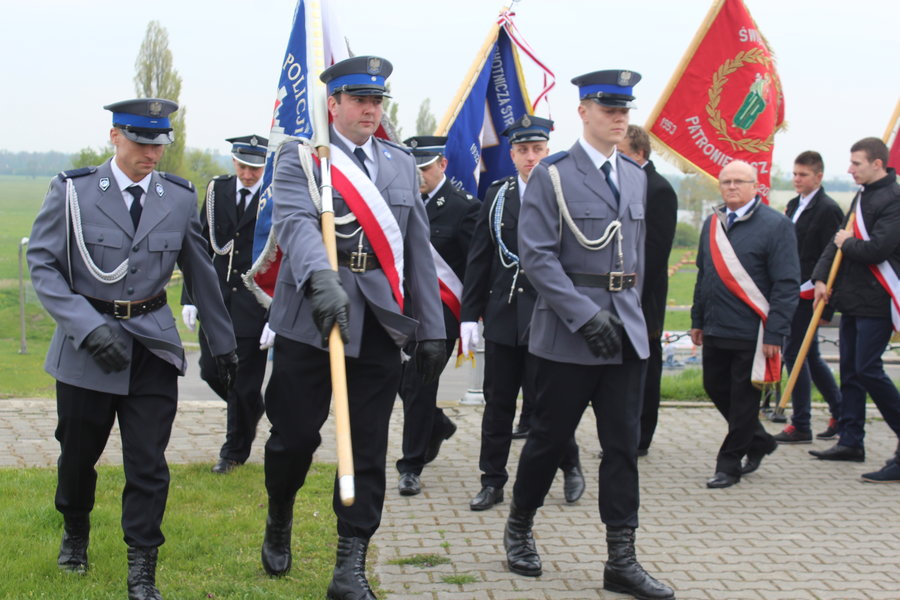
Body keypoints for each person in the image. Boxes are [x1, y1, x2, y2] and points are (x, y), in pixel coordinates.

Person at [27, 98, 238, 600]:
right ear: (115, 136)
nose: (152, 153)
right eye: (142, 142)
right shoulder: (74, 192)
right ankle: (75, 529)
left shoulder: (179, 198)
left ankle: (142, 569)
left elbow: (201, 272)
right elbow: (43, 264)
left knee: (148, 462)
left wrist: (223, 343)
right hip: (86, 349)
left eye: (159, 143)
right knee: (77, 456)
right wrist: (86, 327)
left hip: (152, 347)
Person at [259, 56, 446, 598]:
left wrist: (430, 328)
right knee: (292, 439)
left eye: (377, 100)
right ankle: (279, 514)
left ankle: (350, 565)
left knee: (365, 446)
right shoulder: (302, 160)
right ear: (333, 104)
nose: (371, 109)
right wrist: (321, 279)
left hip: (381, 324)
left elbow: (417, 248)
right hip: (311, 319)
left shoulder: (400, 163)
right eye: (359, 100)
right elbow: (294, 223)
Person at [506, 69, 675, 600]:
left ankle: (620, 560)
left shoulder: (635, 174)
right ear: (583, 111)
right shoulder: (552, 175)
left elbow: (641, 259)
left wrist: (635, 322)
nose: (620, 116)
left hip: (624, 332)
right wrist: (584, 316)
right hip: (568, 335)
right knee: (549, 440)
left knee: (622, 447)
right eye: (608, 108)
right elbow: (537, 256)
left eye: (625, 108)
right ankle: (519, 527)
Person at [459, 115, 584, 512]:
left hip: (548, 316)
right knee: (497, 405)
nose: (531, 157)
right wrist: (468, 315)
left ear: (549, 151)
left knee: (548, 402)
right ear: (512, 154)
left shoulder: (566, 194)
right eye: (523, 150)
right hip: (503, 316)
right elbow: (480, 258)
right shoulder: (498, 195)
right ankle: (492, 480)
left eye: (538, 149)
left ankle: (570, 464)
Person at [690, 160, 799, 490]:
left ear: (755, 187)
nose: (732, 187)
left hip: (754, 331)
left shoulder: (776, 226)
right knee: (715, 386)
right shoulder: (713, 223)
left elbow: (786, 283)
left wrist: (776, 332)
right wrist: (697, 319)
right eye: (726, 182)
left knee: (742, 400)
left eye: (740, 181)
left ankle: (729, 464)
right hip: (716, 327)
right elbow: (704, 274)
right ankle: (760, 441)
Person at [809, 137, 900, 483]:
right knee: (850, 370)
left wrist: (848, 243)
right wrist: (820, 277)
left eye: (856, 163)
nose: (849, 169)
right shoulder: (862, 197)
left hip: (878, 299)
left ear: (878, 164)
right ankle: (851, 440)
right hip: (850, 297)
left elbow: (877, 249)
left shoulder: (894, 200)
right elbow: (839, 240)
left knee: (867, 369)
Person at [394, 135, 478, 497]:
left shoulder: (464, 208)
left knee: (418, 383)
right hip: (403, 308)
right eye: (413, 169)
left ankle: (410, 466)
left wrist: (473, 317)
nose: (419, 176)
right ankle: (437, 423)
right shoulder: (399, 201)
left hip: (444, 313)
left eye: (425, 168)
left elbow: (474, 268)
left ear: (442, 165)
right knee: (399, 379)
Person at [182, 135, 269, 474]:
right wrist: (190, 297)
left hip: (253, 303)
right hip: (216, 300)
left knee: (243, 382)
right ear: (234, 162)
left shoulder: (273, 196)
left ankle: (233, 453)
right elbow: (198, 244)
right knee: (210, 371)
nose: (248, 174)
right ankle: (250, 409)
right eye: (243, 166)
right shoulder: (217, 190)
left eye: (256, 167)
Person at [772, 151, 843, 444]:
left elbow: (834, 256)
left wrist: (829, 302)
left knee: (795, 355)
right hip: (790, 289)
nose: (797, 179)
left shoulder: (828, 209)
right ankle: (842, 411)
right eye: (795, 174)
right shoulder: (793, 204)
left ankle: (801, 424)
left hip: (809, 292)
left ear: (819, 176)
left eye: (803, 175)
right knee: (808, 356)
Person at [617, 124, 678, 457]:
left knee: (645, 369)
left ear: (639, 154)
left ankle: (641, 436)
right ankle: (623, 431)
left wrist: (631, 297)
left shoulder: (658, 190)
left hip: (643, 298)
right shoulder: (623, 184)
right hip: (620, 293)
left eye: (622, 153)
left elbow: (653, 254)